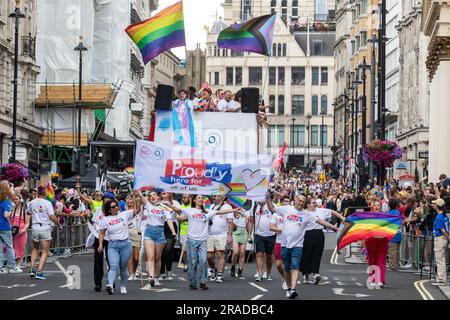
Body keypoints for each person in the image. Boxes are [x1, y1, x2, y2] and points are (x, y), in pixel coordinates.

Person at [266, 193, 339, 299]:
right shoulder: (286, 209)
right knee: (286, 268)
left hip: (298, 245)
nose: (301, 203)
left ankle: (293, 289)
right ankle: (289, 287)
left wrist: (333, 226)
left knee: (295, 266)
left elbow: (320, 221)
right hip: (285, 244)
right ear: (295, 200)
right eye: (299, 201)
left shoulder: (306, 214)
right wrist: (268, 198)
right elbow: (272, 208)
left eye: (303, 202)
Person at [167, 194, 242, 290]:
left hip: (203, 240)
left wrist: (234, 210)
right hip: (191, 240)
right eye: (198, 198)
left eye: (202, 198)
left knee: (203, 261)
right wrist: (166, 204)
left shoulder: (207, 212)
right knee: (193, 263)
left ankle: (203, 282)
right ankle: (193, 282)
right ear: (194, 201)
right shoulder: (189, 210)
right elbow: (176, 209)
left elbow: (220, 212)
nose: (201, 199)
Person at [137, 190, 177, 287]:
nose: (152, 196)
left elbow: (169, 220)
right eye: (150, 196)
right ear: (149, 199)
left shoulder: (164, 207)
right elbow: (141, 196)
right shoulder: (148, 205)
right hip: (149, 232)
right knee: (150, 257)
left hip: (160, 233)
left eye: (154, 195)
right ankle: (151, 277)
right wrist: (138, 189)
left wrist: (173, 232)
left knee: (158, 258)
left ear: (158, 196)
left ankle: (156, 277)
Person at [98, 199, 139, 295]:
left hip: (125, 244)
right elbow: (102, 233)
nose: (116, 207)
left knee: (123, 267)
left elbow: (137, 210)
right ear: (109, 210)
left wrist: (138, 197)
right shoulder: (105, 219)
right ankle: (110, 285)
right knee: (113, 266)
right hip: (113, 245)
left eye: (116, 205)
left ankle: (123, 286)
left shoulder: (124, 214)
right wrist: (100, 244)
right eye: (113, 207)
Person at [301, 197, 344, 284]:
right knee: (307, 254)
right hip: (307, 234)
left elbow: (332, 212)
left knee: (317, 254)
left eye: (315, 202)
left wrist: (342, 218)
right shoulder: (304, 213)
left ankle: (316, 273)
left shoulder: (321, 210)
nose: (315, 204)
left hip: (319, 233)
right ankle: (306, 274)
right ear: (308, 204)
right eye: (313, 202)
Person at [28, 185, 63, 279]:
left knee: (35, 248)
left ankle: (32, 269)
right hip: (44, 227)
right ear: (45, 193)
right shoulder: (47, 203)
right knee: (45, 251)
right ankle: (39, 272)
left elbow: (29, 212)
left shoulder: (32, 202)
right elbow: (52, 216)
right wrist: (59, 224)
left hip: (35, 226)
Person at [91, 191, 116, 292]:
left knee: (111, 260)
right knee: (98, 260)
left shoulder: (115, 211)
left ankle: (111, 281)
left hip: (111, 238)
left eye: (108, 198)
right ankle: (98, 283)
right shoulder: (98, 210)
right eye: (104, 198)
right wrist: (95, 227)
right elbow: (95, 222)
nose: (106, 200)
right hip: (99, 237)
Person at [207, 196, 234, 283]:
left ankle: (219, 274)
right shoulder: (211, 207)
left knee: (220, 255)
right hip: (210, 234)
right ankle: (212, 269)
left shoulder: (227, 207)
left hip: (222, 235)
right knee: (209, 256)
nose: (214, 197)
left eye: (216, 196)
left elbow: (230, 223)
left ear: (221, 197)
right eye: (213, 196)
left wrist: (229, 236)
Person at [365, 200, 390, 288]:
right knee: (372, 261)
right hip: (371, 240)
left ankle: (380, 280)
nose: (376, 207)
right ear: (372, 206)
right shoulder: (368, 216)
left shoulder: (386, 216)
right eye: (375, 205)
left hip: (382, 240)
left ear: (380, 207)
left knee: (381, 261)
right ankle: (373, 280)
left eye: (378, 205)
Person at [251, 199, 277, 282]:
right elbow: (251, 221)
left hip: (270, 234)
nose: (260, 201)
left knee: (269, 256)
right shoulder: (255, 207)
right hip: (259, 234)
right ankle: (260, 274)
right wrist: (250, 234)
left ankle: (268, 273)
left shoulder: (272, 206)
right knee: (259, 254)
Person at [0, 181, 22, 274]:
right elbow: (6, 215)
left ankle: (0, 267)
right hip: (4, 226)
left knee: (0, 247)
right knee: (9, 246)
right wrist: (11, 210)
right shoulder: (6, 201)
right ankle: (12, 267)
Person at [269, 196, 289, 290]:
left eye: (288, 201)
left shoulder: (292, 213)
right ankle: (284, 277)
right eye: (285, 201)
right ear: (281, 203)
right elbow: (271, 227)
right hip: (279, 241)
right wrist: (280, 229)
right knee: (278, 264)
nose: (287, 203)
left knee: (288, 263)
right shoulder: (276, 214)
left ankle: (287, 281)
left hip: (289, 242)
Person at [159, 192, 180, 280]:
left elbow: (180, 211)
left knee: (168, 249)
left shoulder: (175, 202)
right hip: (161, 226)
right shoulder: (157, 203)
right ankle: (162, 271)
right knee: (162, 250)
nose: (164, 194)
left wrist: (169, 205)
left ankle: (169, 270)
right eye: (162, 193)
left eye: (166, 192)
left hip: (172, 226)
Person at [230, 201, 253, 279]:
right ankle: (233, 266)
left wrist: (249, 234)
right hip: (235, 231)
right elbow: (230, 222)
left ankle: (240, 271)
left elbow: (248, 222)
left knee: (242, 253)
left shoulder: (245, 211)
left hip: (243, 231)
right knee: (235, 252)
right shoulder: (231, 210)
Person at [431, 198, 450, 286]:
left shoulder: (439, 217)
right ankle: (441, 278)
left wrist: (448, 238)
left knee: (440, 259)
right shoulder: (445, 216)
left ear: (437, 206)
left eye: (435, 204)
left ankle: (441, 279)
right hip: (444, 239)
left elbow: (442, 230)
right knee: (442, 259)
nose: (433, 205)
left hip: (440, 238)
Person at [9, 193, 30, 269]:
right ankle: (15, 264)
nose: (15, 201)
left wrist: (24, 230)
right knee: (14, 248)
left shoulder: (25, 211)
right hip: (12, 232)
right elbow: (9, 220)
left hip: (21, 233)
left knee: (21, 248)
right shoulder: (11, 210)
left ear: (20, 200)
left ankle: (19, 265)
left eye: (16, 199)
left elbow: (27, 223)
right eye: (14, 199)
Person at [127, 195, 142, 281]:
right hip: (127, 234)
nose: (130, 204)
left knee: (136, 257)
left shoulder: (137, 212)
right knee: (129, 256)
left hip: (136, 234)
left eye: (131, 203)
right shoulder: (125, 212)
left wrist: (137, 195)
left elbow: (139, 206)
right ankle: (130, 274)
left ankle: (134, 271)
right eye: (128, 203)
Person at [387, 198, 402, 272]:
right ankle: (397, 265)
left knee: (392, 251)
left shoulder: (390, 213)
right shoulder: (398, 212)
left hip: (392, 235)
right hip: (398, 234)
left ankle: (393, 266)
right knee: (397, 251)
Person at [178, 194, 191, 271]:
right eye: (182, 197)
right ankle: (186, 264)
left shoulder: (193, 207)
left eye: (185, 197)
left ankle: (191, 264)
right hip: (183, 232)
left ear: (190, 198)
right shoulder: (181, 207)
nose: (183, 199)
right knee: (184, 250)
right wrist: (188, 216)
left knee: (191, 251)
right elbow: (178, 218)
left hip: (192, 232)